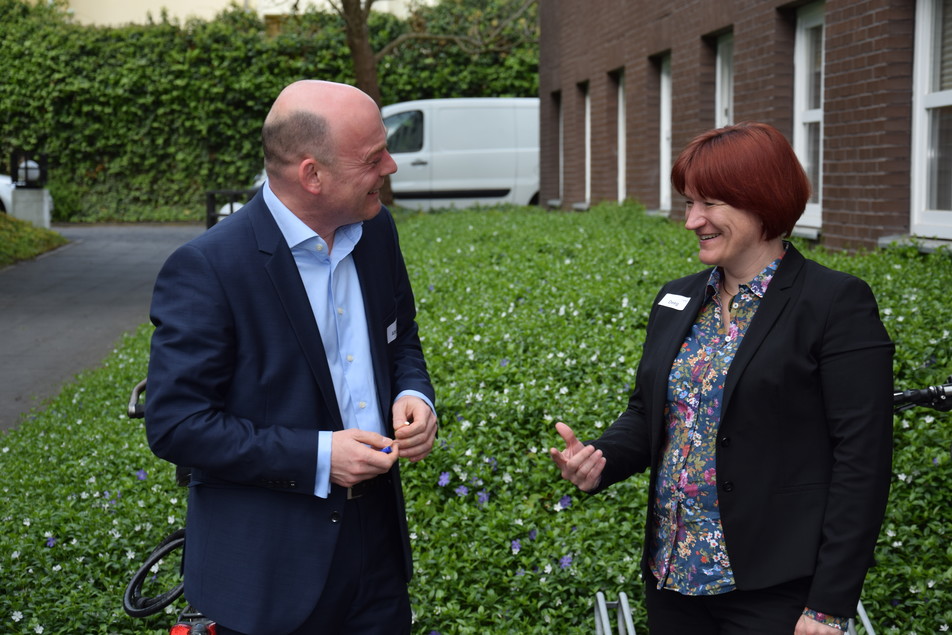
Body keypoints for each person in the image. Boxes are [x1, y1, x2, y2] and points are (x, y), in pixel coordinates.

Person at [550, 122, 894, 634]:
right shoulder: (678, 299)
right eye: (689, 203)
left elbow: (862, 461)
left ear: (761, 200)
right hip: (674, 578)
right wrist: (600, 460)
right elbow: (650, 413)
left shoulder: (833, 304)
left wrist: (828, 605)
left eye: (708, 203)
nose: (692, 220)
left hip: (775, 590)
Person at [145, 80, 438, 635]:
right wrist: (320, 457)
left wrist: (413, 395)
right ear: (312, 175)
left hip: (376, 551)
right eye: (375, 157)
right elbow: (176, 425)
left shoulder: (377, 233)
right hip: (268, 575)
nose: (392, 167)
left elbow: (400, 339)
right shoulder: (209, 268)